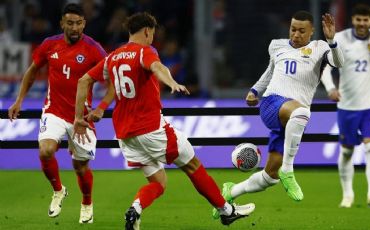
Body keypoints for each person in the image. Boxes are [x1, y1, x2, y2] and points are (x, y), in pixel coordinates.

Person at [73, 12, 255, 230]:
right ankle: (227, 211)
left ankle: (135, 209)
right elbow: (158, 67)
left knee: (158, 183)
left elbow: (84, 80)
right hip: (151, 129)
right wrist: (172, 83)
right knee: (192, 166)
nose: (152, 38)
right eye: (152, 34)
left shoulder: (112, 57)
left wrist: (79, 116)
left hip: (125, 136)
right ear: (147, 31)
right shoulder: (145, 51)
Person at [212, 10, 345, 219]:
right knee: (302, 112)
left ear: (311, 32)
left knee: (270, 176)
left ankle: (230, 191)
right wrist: (255, 91)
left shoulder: (320, 48)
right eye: (293, 29)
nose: (296, 34)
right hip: (272, 103)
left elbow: (339, 63)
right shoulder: (277, 45)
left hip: (290, 119)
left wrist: (332, 39)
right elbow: (270, 72)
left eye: (302, 31)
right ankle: (289, 169)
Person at [7, 3, 106, 223]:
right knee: (45, 150)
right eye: (69, 23)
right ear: (62, 23)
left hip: (82, 116)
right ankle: (59, 190)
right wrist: (19, 100)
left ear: (84, 24)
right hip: (54, 110)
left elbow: (112, 79)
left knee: (80, 167)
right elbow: (32, 70)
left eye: (78, 23)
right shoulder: (50, 45)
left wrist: (102, 107)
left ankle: (87, 202)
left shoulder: (94, 49)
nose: (74, 28)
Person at [321, 3, 370, 208]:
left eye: (366, 20)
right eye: (358, 20)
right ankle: (347, 195)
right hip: (347, 105)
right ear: (353, 20)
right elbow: (325, 69)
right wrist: (330, 89)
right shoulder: (341, 39)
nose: (362, 24)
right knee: (346, 152)